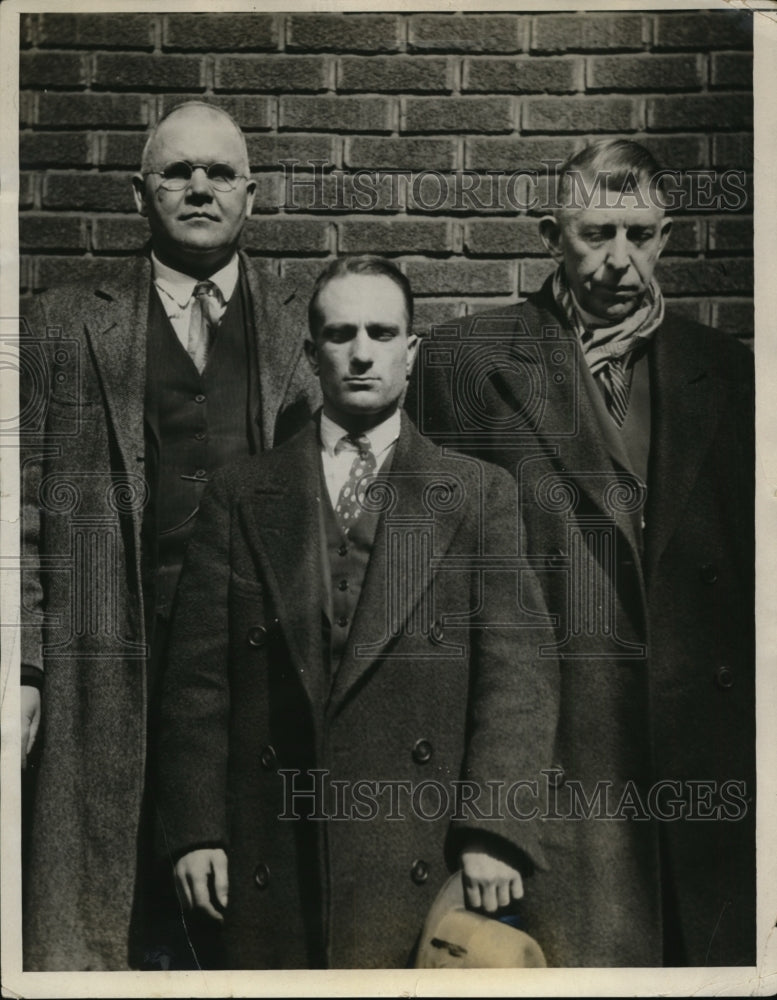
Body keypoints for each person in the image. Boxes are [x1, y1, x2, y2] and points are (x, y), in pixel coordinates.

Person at [154, 255, 560, 968]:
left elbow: (517, 678)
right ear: (312, 354)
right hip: (270, 847)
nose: (362, 353)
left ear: (411, 350)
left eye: (382, 332)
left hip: (420, 846)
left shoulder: (476, 493)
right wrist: (195, 831)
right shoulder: (240, 491)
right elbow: (197, 681)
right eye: (341, 335)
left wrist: (494, 829)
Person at [407, 138, 755, 967]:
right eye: (596, 233)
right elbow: (430, 608)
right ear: (550, 236)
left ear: (665, 238)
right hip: (558, 774)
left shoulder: (725, 371)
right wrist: (487, 811)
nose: (618, 260)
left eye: (639, 235)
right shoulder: (467, 363)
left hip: (704, 778)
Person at [19, 100, 319, 970]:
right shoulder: (62, 322)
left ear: (251, 195)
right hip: (103, 666)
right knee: (107, 920)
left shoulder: (305, 323)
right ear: (138, 193)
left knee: (249, 918)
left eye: (220, 173)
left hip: (253, 670)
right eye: (176, 172)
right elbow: (19, 505)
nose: (198, 188)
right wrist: (25, 667)